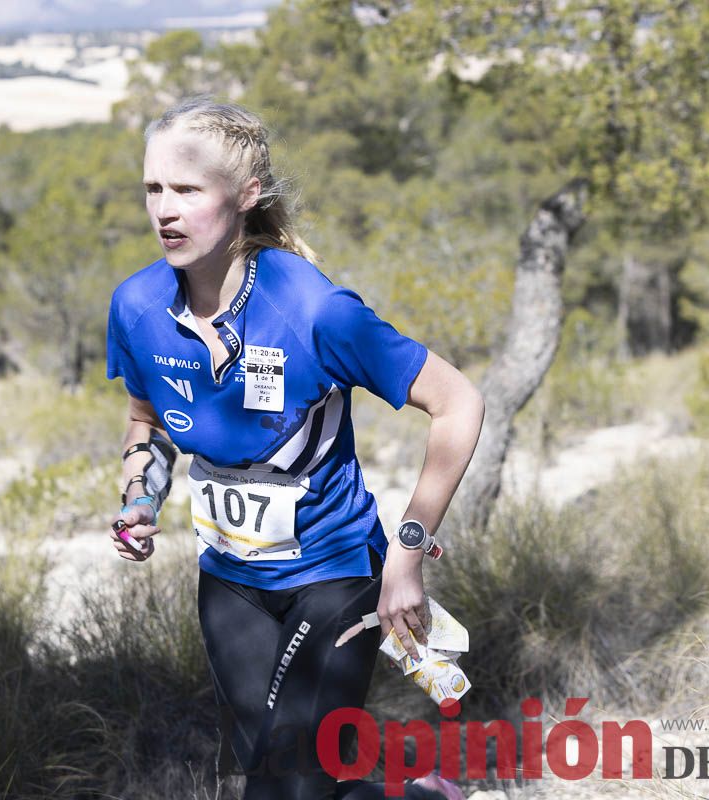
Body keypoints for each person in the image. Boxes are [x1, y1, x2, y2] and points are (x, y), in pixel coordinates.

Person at [106, 98, 484, 799]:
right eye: (154, 189)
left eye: (188, 190)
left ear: (246, 195)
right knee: (286, 778)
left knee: (284, 787)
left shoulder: (313, 310)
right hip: (229, 583)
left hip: (335, 576)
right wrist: (140, 498)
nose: (165, 210)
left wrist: (407, 552)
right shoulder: (137, 308)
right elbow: (146, 420)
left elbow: (459, 402)